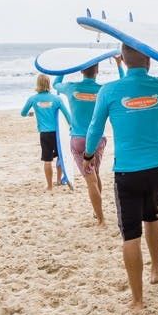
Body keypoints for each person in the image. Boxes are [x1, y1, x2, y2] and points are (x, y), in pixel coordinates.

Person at [83, 44, 158, 314]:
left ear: (124, 61)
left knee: (130, 233)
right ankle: (156, 271)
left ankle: (138, 301)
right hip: (157, 167)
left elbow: (95, 128)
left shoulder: (109, 91)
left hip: (127, 171)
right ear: (150, 61)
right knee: (152, 215)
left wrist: (87, 155)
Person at [56, 57, 124, 224]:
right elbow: (123, 85)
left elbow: (55, 84)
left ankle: (100, 218)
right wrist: (119, 64)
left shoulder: (72, 88)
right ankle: (97, 212)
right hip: (98, 140)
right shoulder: (103, 89)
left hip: (79, 140)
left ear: (81, 70)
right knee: (95, 175)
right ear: (97, 71)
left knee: (91, 180)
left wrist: (65, 67)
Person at [21, 74, 75, 191]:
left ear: (38, 84)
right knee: (61, 156)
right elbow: (67, 116)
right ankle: (59, 180)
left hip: (44, 134)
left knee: (47, 159)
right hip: (58, 133)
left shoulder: (33, 99)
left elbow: (23, 113)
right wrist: (71, 127)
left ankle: (50, 186)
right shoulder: (56, 99)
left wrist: (31, 113)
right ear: (48, 84)